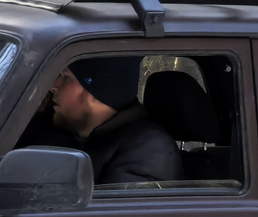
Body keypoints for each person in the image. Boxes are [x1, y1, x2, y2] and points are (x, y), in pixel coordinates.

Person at [41, 57, 184, 185]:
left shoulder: (149, 149)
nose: (54, 85)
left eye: (66, 76)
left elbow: (119, 213)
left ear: (94, 92)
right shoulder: (84, 135)